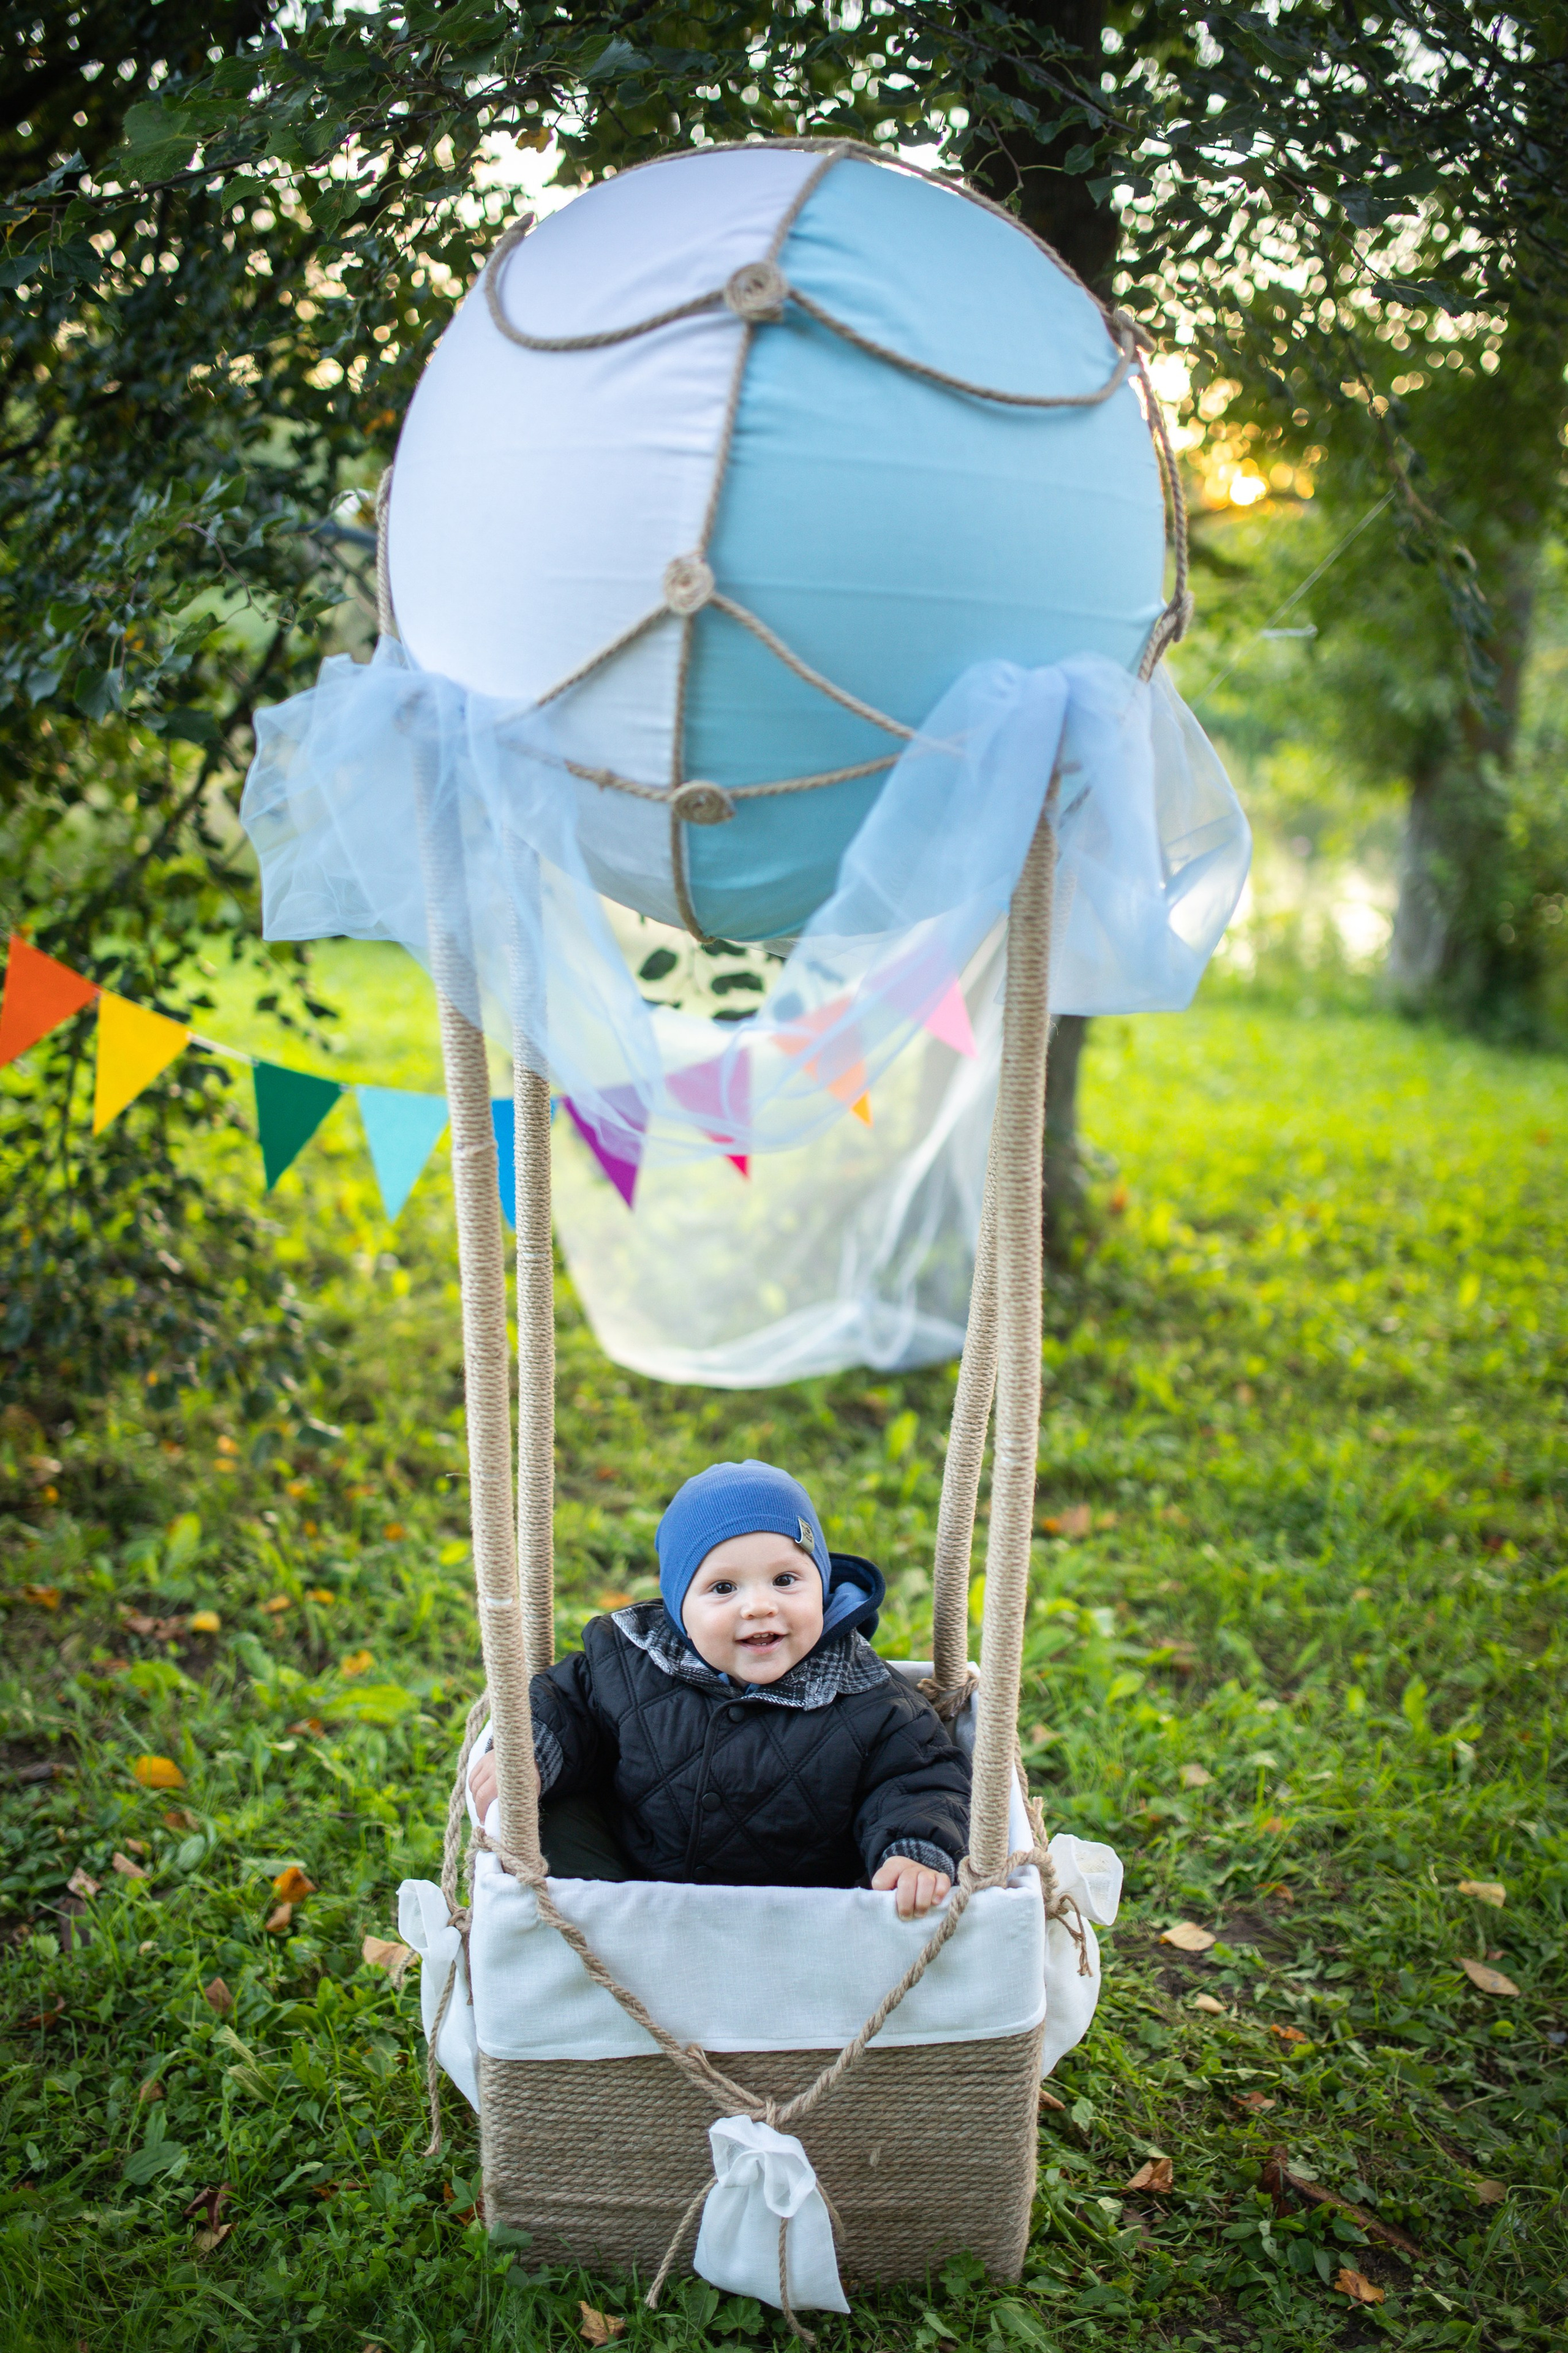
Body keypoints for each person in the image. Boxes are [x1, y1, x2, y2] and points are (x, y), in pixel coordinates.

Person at [469, 1459, 970, 1916]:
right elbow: (564, 1704)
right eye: (724, 1588)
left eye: (786, 1579)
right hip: (635, 1888)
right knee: (548, 1823)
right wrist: (528, 1753)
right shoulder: (630, 1662)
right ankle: (559, 1947)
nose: (758, 1606)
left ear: (822, 1585)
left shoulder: (870, 1699)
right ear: (678, 1608)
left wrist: (913, 1851)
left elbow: (917, 1779)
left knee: (894, 1879)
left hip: (803, 1913)